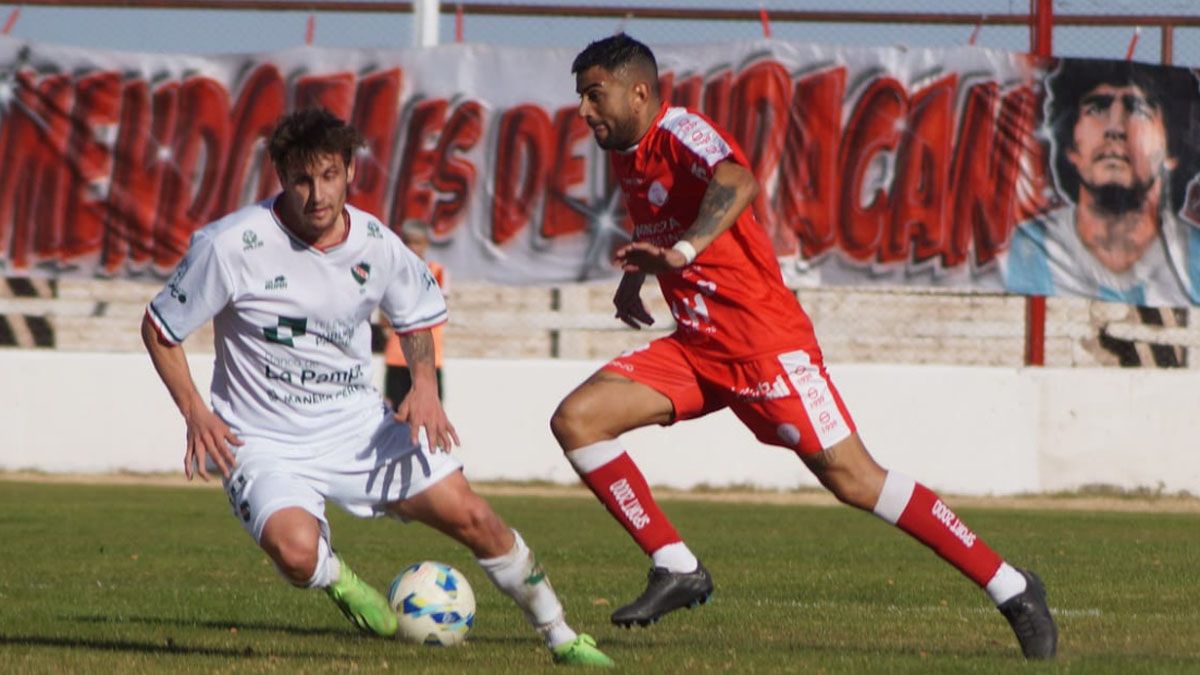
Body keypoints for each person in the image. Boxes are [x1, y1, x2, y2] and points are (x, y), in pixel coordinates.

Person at [551, 34, 1057, 660]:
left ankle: (1013, 588)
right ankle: (675, 564)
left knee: (855, 479)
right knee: (577, 421)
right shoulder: (628, 152)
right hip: (698, 349)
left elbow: (738, 181)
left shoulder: (682, 131)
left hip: (765, 347)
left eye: (593, 96)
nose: (584, 111)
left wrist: (680, 254)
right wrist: (639, 275)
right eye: (580, 97)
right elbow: (658, 218)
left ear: (639, 92)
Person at [141, 108, 613, 667]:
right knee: (296, 555)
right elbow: (160, 328)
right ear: (280, 176)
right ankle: (337, 578)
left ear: (349, 172)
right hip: (263, 441)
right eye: (301, 179)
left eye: (329, 176)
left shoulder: (376, 244)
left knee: (475, 517)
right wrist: (195, 411)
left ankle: (561, 634)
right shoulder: (230, 245)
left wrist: (425, 386)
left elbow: (416, 316)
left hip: (359, 429)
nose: (316, 195)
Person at [1005, 58, 1200, 306]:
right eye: (1097, 108)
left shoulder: (1193, 258)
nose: (1115, 128)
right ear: (1070, 146)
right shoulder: (1030, 250)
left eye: (1138, 109)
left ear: (1172, 150)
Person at [383, 219, 446, 408]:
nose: (413, 248)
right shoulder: (392, 272)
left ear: (426, 243)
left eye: (417, 242)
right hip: (397, 357)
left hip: (429, 358)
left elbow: (433, 311)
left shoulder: (437, 273)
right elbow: (385, 317)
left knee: (430, 415)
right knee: (396, 416)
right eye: (408, 242)